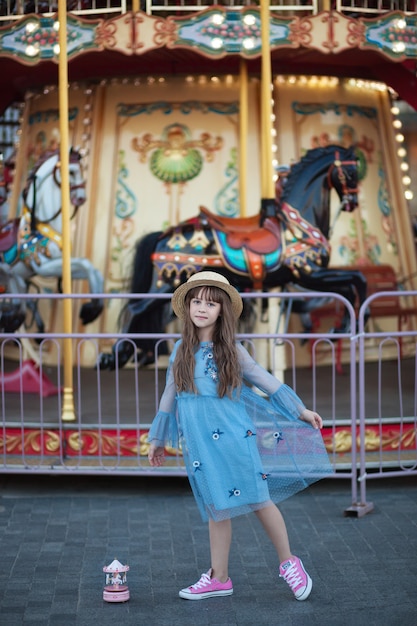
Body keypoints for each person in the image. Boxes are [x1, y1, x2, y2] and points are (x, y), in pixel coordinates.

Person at [147, 271, 333, 601]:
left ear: (222, 311)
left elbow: (265, 380)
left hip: (235, 437)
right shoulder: (180, 351)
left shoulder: (232, 350)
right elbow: (169, 395)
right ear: (187, 306)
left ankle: (289, 562)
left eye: (210, 303)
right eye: (196, 301)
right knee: (217, 506)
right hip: (201, 444)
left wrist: (299, 410)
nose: (202, 308)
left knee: (259, 498)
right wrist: (158, 438)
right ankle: (220, 578)